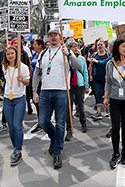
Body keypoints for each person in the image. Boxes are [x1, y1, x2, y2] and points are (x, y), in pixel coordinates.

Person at [32, 28, 82, 169]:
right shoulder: (43, 53)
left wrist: (70, 55)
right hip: (45, 93)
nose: (53, 38)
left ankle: (57, 152)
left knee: (61, 123)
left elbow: (78, 66)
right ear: (48, 38)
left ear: (60, 37)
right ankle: (54, 138)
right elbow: (36, 73)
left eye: (55, 35)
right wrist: (35, 91)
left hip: (61, 92)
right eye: (51, 36)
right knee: (43, 121)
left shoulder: (66, 51)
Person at [104, 38, 125, 169]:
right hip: (114, 98)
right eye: (124, 46)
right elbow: (108, 82)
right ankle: (115, 153)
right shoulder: (109, 64)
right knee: (114, 127)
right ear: (117, 47)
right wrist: (105, 97)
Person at [2, 45, 30, 166]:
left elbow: (27, 82)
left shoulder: (22, 67)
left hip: (19, 99)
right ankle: (15, 147)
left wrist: (22, 80)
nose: (10, 56)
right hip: (7, 99)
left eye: (12, 53)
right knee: (11, 127)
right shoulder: (5, 67)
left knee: (17, 125)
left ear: (16, 54)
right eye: (8, 54)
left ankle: (18, 150)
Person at [65, 39, 90, 140]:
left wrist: (86, 85)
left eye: (76, 47)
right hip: (69, 85)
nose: (75, 48)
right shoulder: (66, 58)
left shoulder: (81, 58)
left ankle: (83, 123)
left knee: (81, 106)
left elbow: (85, 72)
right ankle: (69, 130)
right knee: (68, 109)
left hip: (79, 85)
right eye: (73, 47)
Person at [89, 38, 111, 120]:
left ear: (105, 45)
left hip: (106, 78)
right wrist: (90, 75)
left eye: (101, 44)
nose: (100, 46)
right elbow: (90, 66)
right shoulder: (94, 55)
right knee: (98, 94)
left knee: (106, 94)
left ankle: (106, 110)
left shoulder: (108, 55)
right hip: (96, 78)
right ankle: (98, 113)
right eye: (98, 45)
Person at [29, 38, 46, 134]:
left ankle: (42, 122)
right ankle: (40, 121)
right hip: (34, 79)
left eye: (35, 44)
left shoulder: (44, 54)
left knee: (40, 102)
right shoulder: (35, 54)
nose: (33, 46)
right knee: (35, 101)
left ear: (40, 45)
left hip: (41, 81)